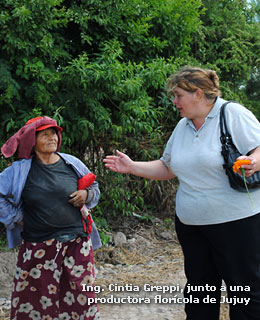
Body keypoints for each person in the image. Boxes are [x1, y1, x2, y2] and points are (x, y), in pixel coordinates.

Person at [103, 66, 260, 320]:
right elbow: (167, 167)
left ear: (198, 94)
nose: (174, 101)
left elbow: (259, 149)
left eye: (178, 95)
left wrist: (253, 162)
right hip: (192, 226)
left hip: (236, 224)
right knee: (199, 294)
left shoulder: (232, 113)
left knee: (244, 293)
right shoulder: (182, 127)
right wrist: (132, 167)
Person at [0, 116, 101, 320]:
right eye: (44, 134)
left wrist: (86, 195)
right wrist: (14, 217)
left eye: (54, 133)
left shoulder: (71, 163)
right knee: (35, 301)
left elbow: (94, 188)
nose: (52, 137)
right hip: (38, 246)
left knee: (81, 298)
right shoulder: (20, 171)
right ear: (32, 141)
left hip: (77, 243)